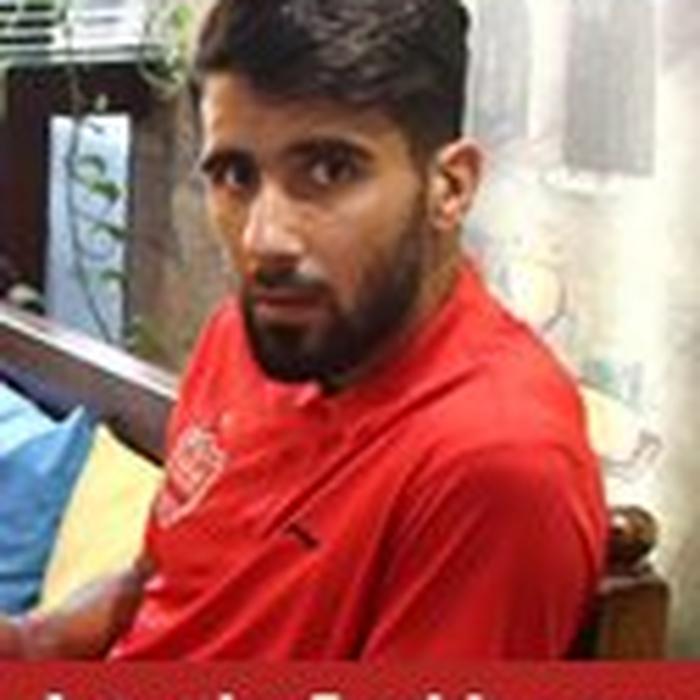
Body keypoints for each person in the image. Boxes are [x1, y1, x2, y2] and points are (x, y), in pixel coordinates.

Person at [0, 0, 606, 660]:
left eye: (329, 170)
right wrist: (33, 642)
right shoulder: (246, 333)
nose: (264, 241)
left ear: (450, 187)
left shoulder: (495, 464)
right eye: (235, 175)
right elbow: (164, 580)